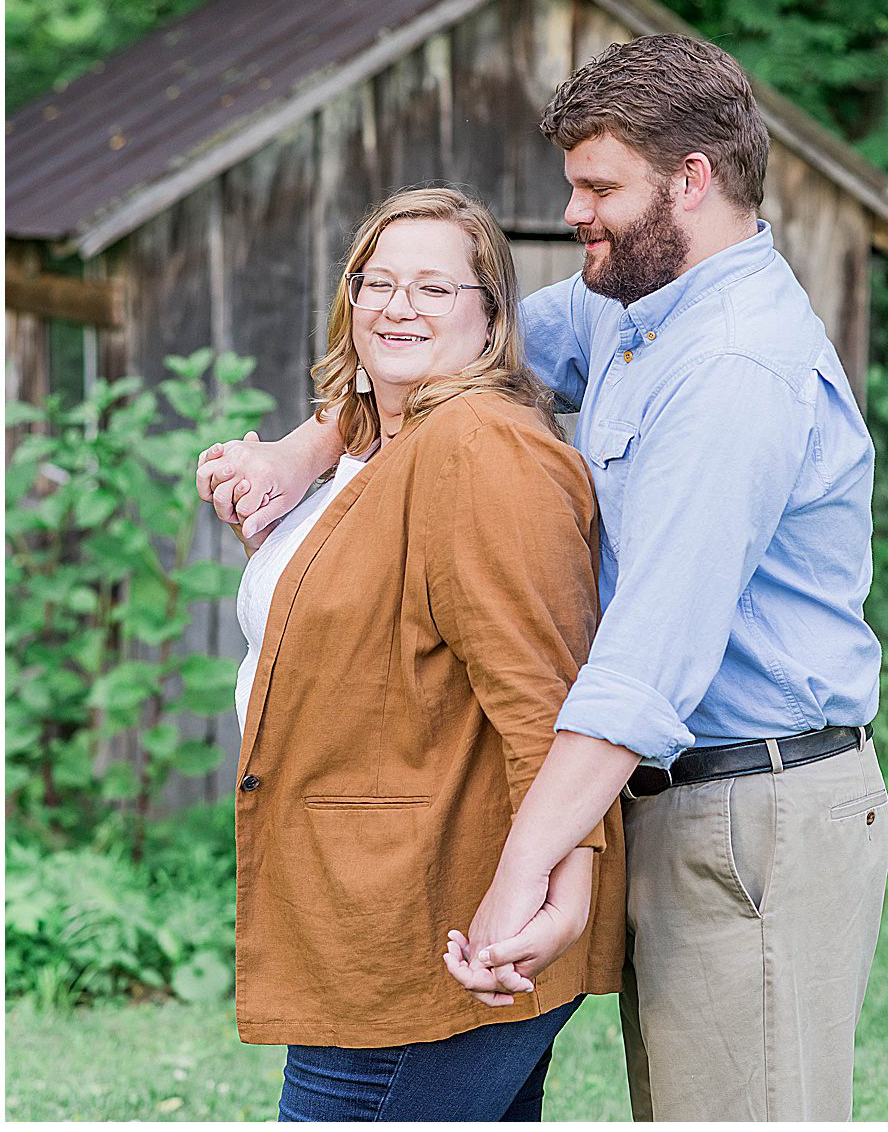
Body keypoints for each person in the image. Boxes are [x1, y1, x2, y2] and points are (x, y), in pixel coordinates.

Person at [199, 35, 888, 1121]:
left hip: (751, 805)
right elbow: (441, 349)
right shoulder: (634, 300)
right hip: (655, 795)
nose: (572, 211)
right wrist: (301, 448)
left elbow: (641, 666)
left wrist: (525, 866)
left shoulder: (731, 371)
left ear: (691, 180)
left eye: (596, 186)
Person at [224, 186, 624, 1121]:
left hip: (434, 922)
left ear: (490, 317)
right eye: (380, 282)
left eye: (437, 288)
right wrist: (293, 457)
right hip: (368, 914)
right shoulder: (386, 441)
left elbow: (546, 700)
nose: (400, 306)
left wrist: (557, 900)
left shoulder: (482, 448)